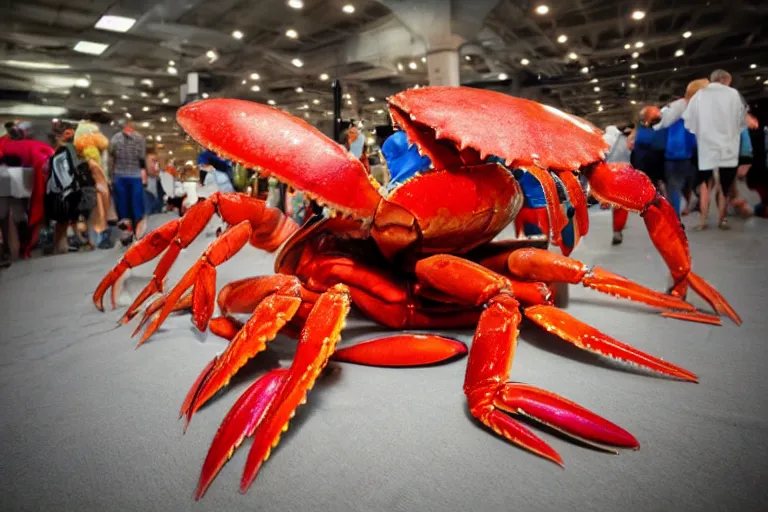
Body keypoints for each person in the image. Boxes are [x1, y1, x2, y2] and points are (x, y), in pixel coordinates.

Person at [683, 69, 748, 230]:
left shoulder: (699, 96)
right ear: (724, 79)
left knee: (704, 186)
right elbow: (742, 121)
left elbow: (688, 122)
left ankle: (703, 221)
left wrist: (701, 132)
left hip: (706, 148)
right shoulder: (734, 94)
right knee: (724, 186)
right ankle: (722, 220)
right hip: (728, 147)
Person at [653, 79, 709, 219]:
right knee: (692, 186)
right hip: (688, 155)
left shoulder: (675, 111)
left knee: (674, 188)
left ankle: (676, 217)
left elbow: (659, 128)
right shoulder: (691, 112)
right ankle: (687, 211)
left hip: (674, 155)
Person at [109, 121, 147, 245]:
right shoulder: (137, 138)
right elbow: (141, 160)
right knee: (127, 205)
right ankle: (131, 231)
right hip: (125, 175)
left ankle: (133, 230)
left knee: (128, 205)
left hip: (126, 175)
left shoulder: (117, 138)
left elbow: (141, 160)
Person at [603, 125, 632, 245]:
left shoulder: (604, 139)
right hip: (625, 171)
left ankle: (617, 228)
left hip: (609, 172)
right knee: (621, 204)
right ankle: (618, 229)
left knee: (616, 202)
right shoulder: (628, 139)